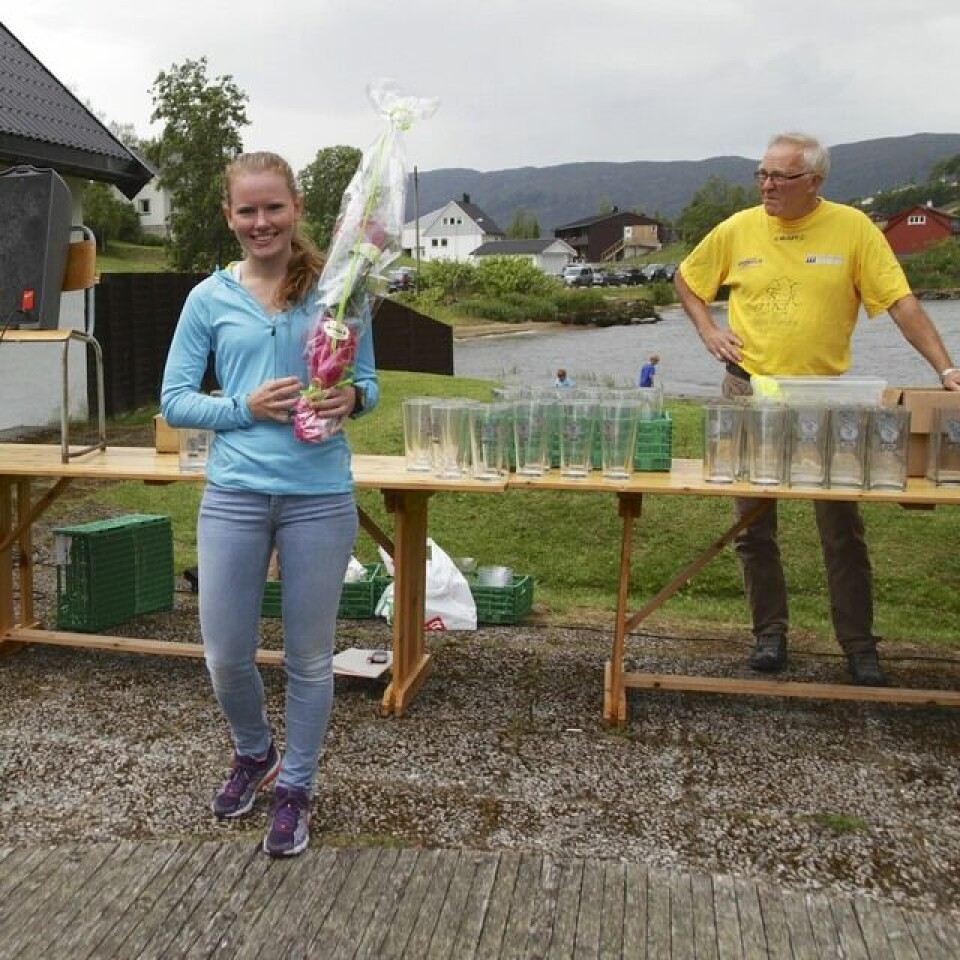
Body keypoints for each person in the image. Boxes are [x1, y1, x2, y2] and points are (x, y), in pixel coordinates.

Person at [675, 131, 960, 687]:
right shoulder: (738, 228)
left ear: (815, 181)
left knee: (841, 527)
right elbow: (687, 277)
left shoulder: (853, 228)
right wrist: (708, 327)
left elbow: (900, 304)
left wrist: (947, 371)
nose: (767, 185)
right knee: (754, 526)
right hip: (749, 393)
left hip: (827, 400)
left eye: (780, 176)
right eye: (762, 174)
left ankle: (858, 646)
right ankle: (769, 637)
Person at [160, 151, 378, 857]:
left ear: (298, 207)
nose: (262, 222)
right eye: (247, 210)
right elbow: (174, 401)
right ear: (229, 216)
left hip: (319, 494)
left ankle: (297, 788)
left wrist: (353, 397)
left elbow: (368, 383)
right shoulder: (209, 298)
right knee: (225, 654)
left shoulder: (341, 289)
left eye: (273, 207)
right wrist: (241, 407)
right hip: (235, 493)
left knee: (310, 660)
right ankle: (255, 754)